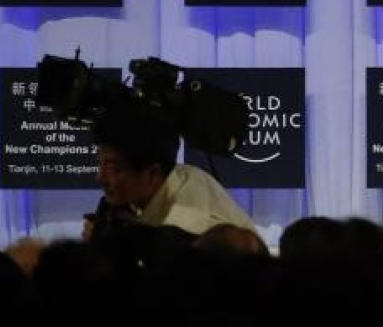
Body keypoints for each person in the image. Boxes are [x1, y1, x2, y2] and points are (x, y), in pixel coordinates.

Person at [86, 96, 256, 260]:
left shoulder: (188, 227)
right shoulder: (177, 176)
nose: (100, 177)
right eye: (100, 163)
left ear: (153, 173)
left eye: (114, 169)